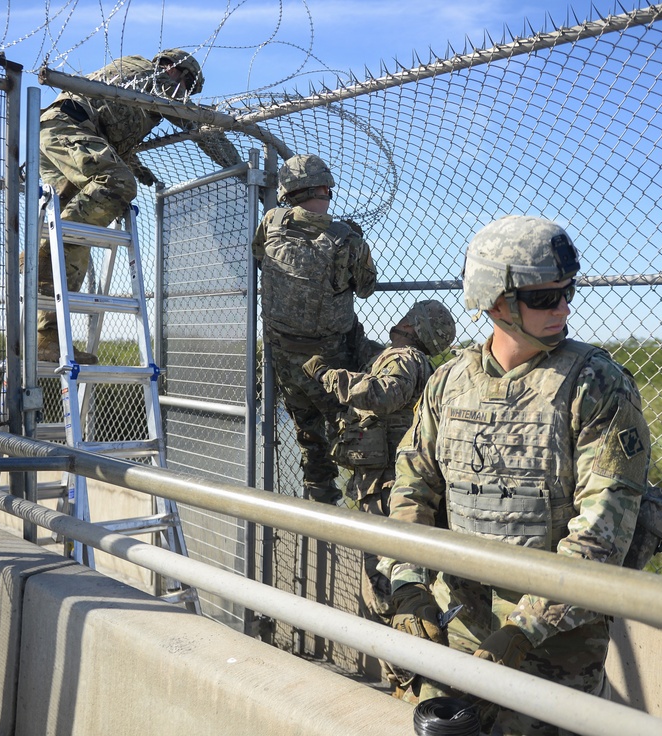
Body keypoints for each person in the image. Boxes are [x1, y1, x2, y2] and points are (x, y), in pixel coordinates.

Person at [379, 215, 651, 735]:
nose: (564, 308)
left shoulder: (596, 385)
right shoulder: (448, 383)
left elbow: (601, 531)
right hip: (454, 621)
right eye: (546, 298)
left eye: (567, 292)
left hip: (556, 643)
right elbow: (412, 490)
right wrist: (409, 588)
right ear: (496, 302)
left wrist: (523, 629)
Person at [36, 49, 242, 364]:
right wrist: (238, 167)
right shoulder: (153, 77)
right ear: (173, 69)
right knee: (117, 186)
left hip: (62, 129)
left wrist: (134, 162)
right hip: (68, 124)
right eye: (186, 85)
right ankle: (52, 245)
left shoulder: (139, 88)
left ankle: (45, 336)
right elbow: (198, 127)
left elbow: (112, 122)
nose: (184, 94)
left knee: (74, 228)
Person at [302, 299, 456, 686]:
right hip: (390, 486)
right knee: (396, 576)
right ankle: (411, 671)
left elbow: (383, 394)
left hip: (386, 489)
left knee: (383, 582)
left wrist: (326, 374)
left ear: (416, 328)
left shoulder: (403, 357)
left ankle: (404, 678)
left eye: (409, 318)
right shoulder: (407, 359)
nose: (400, 320)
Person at [252, 154, 377, 504]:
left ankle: (319, 491)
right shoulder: (344, 238)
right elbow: (366, 287)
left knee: (306, 429)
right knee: (349, 427)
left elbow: (259, 257)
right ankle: (364, 502)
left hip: (284, 352)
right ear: (326, 187)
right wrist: (354, 243)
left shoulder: (270, 222)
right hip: (331, 359)